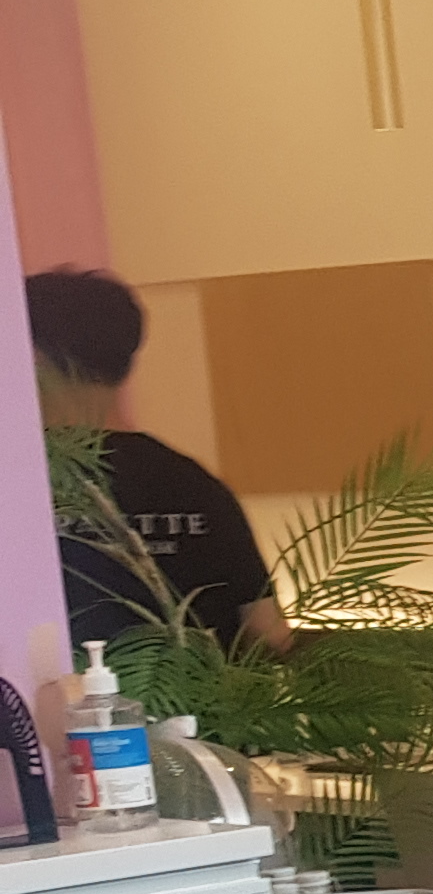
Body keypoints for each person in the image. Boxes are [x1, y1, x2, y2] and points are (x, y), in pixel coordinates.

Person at [28, 267, 287, 654]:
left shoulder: (24, 480)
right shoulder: (195, 485)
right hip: (203, 694)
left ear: (34, 356)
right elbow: (269, 632)